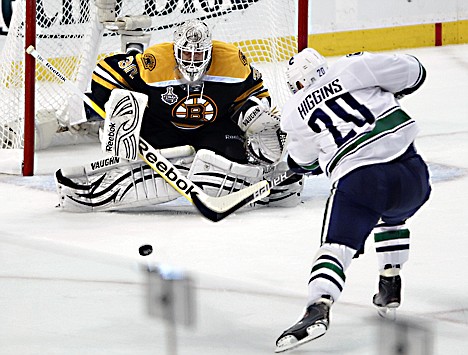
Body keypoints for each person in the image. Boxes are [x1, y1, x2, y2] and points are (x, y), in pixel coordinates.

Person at [274, 48, 432, 353]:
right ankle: (390, 281)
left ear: (296, 85)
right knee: (392, 215)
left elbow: (302, 161)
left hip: (361, 182)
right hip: (414, 176)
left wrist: (302, 163)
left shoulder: (294, 111)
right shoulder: (354, 66)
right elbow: (416, 71)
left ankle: (317, 308)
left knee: (336, 248)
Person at [55, 19, 303, 212]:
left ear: (210, 51)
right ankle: (123, 167)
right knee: (125, 103)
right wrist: (109, 101)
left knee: (234, 152)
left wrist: (254, 116)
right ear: (175, 51)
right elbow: (107, 72)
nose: (192, 62)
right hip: (161, 129)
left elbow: (256, 92)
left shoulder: (232, 62)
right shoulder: (154, 62)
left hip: (212, 129)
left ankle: (258, 181)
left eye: (198, 55)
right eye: (186, 55)